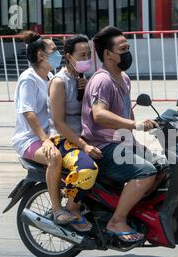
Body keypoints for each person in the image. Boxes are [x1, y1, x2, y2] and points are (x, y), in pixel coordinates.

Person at [82, 26, 162, 244]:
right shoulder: (103, 80)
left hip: (122, 142)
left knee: (163, 165)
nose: (127, 53)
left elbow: (126, 110)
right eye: (123, 49)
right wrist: (134, 125)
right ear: (108, 54)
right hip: (104, 146)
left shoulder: (123, 78)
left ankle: (136, 211)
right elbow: (99, 115)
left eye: (128, 48)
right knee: (146, 172)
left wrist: (134, 139)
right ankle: (117, 220)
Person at [12, 31, 73, 226]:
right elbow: (28, 112)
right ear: (41, 55)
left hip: (51, 135)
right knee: (54, 157)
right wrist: (44, 139)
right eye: (54, 50)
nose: (59, 54)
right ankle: (56, 209)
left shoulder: (50, 77)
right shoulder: (28, 78)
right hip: (30, 139)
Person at [48, 35, 101, 232]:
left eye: (89, 54)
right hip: (62, 139)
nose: (86, 58)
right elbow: (59, 123)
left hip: (83, 136)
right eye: (82, 55)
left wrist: (88, 91)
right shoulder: (59, 82)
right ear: (69, 56)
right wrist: (84, 146)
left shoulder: (84, 80)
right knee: (87, 168)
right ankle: (72, 208)